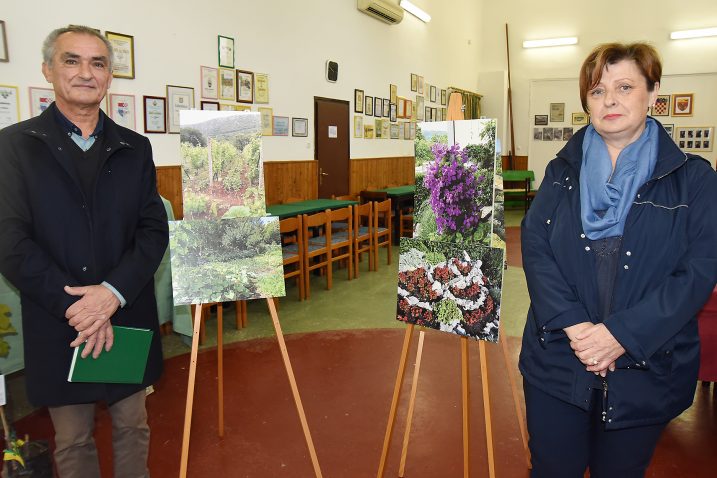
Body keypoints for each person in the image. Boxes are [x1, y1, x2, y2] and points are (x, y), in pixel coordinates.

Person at [519, 42, 717, 477]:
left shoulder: (695, 179)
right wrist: (577, 327)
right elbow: (535, 247)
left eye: (624, 86)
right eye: (597, 90)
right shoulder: (560, 171)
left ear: (653, 92)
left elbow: (699, 270)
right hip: (559, 359)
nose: (609, 100)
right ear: (586, 102)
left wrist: (620, 335)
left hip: (645, 366)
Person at [0, 26, 168, 477]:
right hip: (62, 320)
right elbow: (9, 240)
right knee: (72, 441)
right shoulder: (14, 146)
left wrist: (112, 293)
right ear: (48, 70)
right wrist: (79, 305)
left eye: (97, 63)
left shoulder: (136, 147)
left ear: (110, 76)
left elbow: (153, 230)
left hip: (125, 314)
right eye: (71, 60)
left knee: (134, 426)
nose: (85, 73)